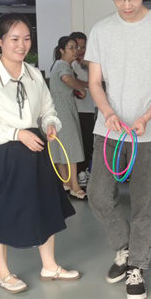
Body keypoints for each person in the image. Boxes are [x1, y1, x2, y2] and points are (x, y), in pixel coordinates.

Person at [0, 13, 78, 294]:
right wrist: (17, 134)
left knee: (45, 205)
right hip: (4, 151)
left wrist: (49, 124)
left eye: (26, 38)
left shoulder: (34, 74)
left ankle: (49, 265)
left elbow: (48, 109)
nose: (21, 45)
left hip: (36, 146)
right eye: (14, 39)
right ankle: (4, 273)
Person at [86, 0, 151, 299]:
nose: (126, 4)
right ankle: (123, 247)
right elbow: (94, 82)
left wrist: (147, 116)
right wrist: (108, 112)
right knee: (98, 195)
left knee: (144, 203)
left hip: (148, 133)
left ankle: (137, 265)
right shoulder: (100, 30)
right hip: (108, 130)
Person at [49, 35, 86, 199]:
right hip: (63, 112)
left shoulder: (60, 65)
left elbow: (71, 80)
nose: (75, 51)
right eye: (71, 48)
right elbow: (66, 79)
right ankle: (75, 186)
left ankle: (66, 183)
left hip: (59, 111)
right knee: (71, 147)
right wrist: (81, 88)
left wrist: (85, 86)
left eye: (76, 47)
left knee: (61, 147)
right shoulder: (62, 65)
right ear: (62, 50)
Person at [69, 31, 95, 187]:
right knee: (77, 143)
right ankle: (79, 174)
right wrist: (88, 85)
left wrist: (88, 65)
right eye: (76, 47)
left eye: (83, 47)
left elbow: (100, 81)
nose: (79, 50)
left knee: (88, 142)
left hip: (89, 109)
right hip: (74, 110)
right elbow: (70, 81)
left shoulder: (90, 64)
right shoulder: (68, 64)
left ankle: (85, 170)